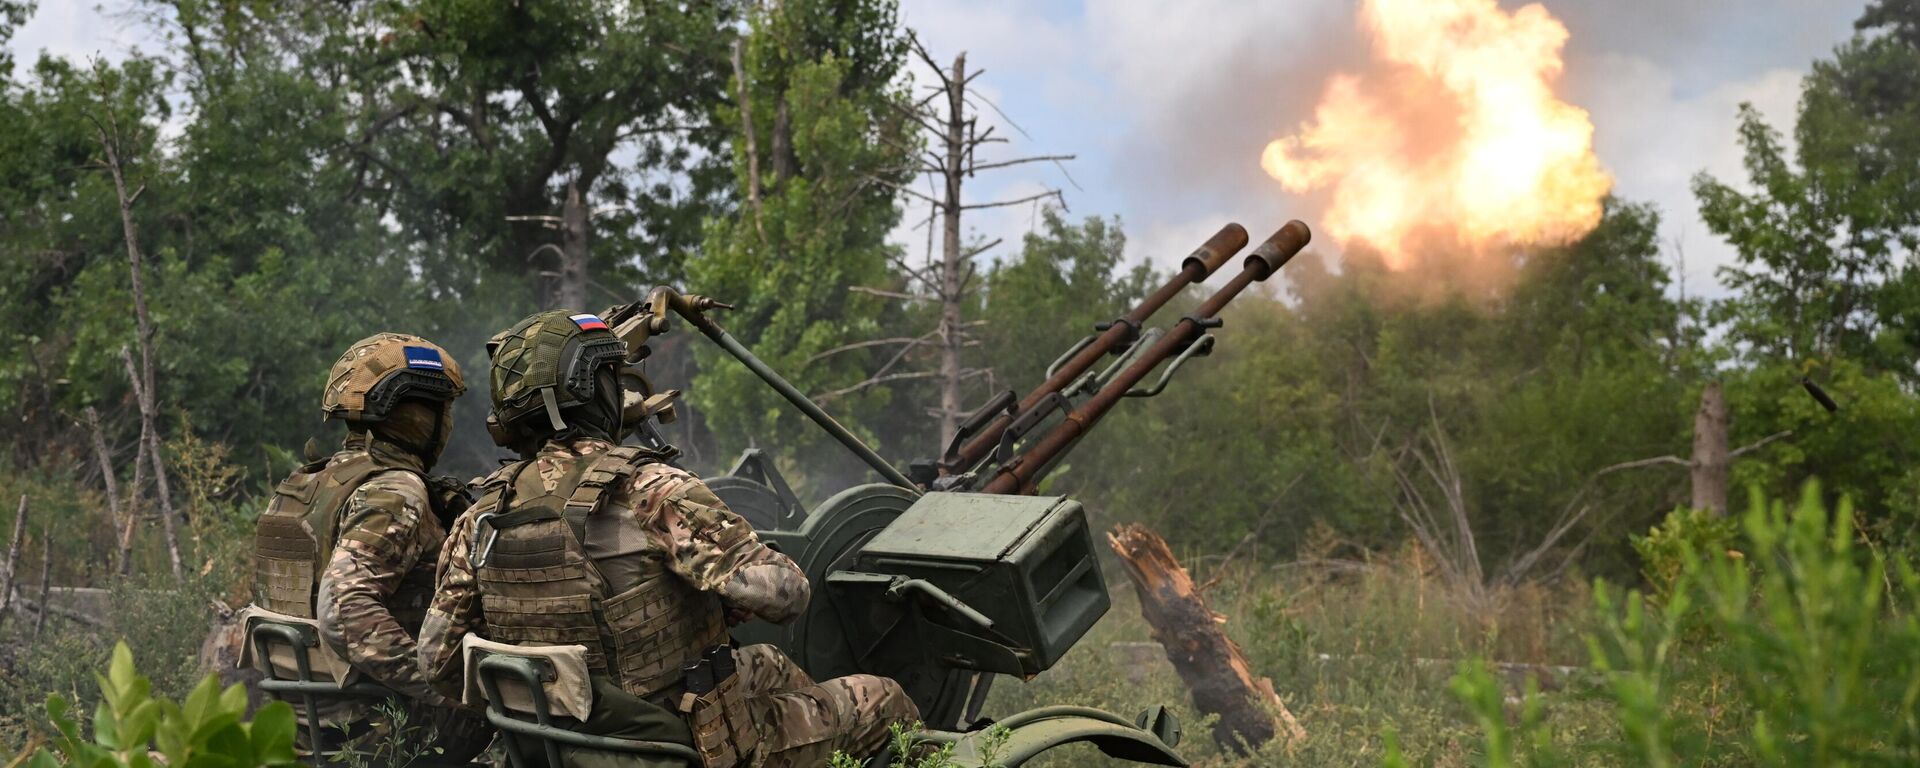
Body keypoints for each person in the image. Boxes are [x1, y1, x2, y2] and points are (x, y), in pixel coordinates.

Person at [418, 309, 918, 767]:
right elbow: (786, 596)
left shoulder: (481, 515)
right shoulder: (650, 487)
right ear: (595, 390)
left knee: (769, 662)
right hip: (677, 743)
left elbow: (436, 660)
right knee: (883, 698)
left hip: (554, 747)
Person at [250, 332, 490, 760]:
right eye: (443, 410)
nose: (448, 424)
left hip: (302, 725)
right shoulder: (395, 489)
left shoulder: (304, 485)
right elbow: (344, 610)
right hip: (375, 725)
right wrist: (443, 685)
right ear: (418, 414)